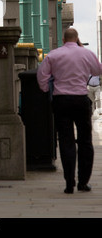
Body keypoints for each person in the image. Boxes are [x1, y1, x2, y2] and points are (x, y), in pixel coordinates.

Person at [37, 27, 102, 194]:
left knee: (66, 141)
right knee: (85, 142)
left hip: (61, 100)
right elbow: (97, 71)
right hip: (81, 99)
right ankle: (83, 182)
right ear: (77, 38)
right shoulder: (86, 53)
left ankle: (69, 183)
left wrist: (46, 90)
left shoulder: (54, 55)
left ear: (64, 40)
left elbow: (42, 76)